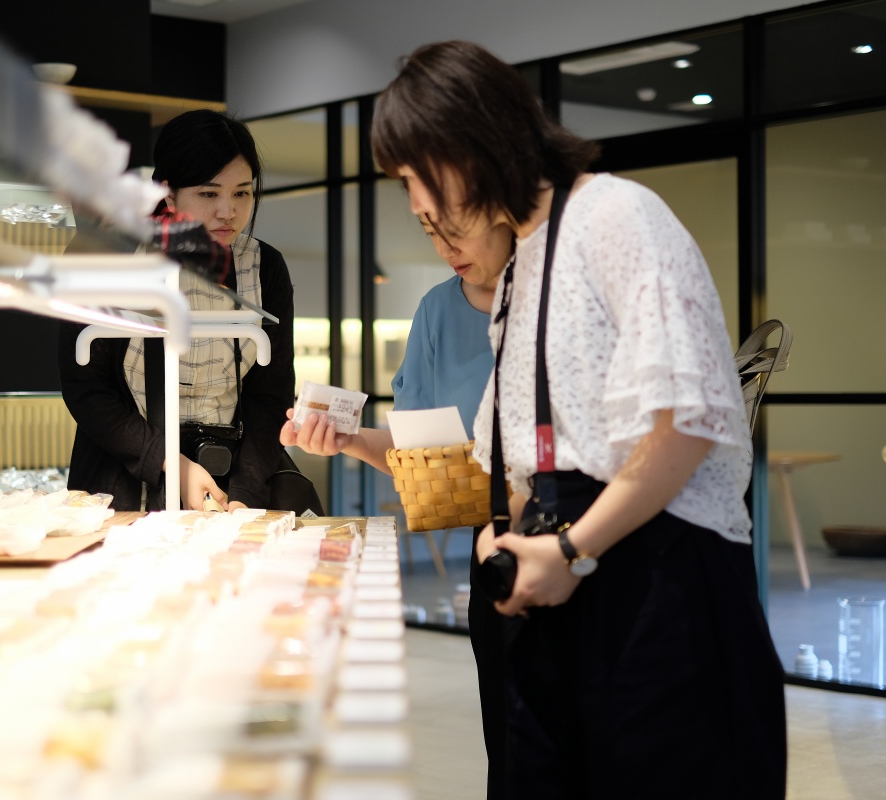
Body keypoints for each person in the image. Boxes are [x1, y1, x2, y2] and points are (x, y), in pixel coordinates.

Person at [371, 40, 787, 799]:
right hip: (571, 589)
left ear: (468, 145)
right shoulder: (523, 265)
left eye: (415, 177)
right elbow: (505, 467)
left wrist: (573, 548)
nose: (416, 208)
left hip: (662, 589)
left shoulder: (617, 215)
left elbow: (685, 423)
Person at [282, 219, 514, 799]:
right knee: (513, 746)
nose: (445, 248)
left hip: (581, 547)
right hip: (499, 553)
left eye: (457, 227)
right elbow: (418, 454)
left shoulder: (555, 298)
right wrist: (348, 439)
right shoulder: (438, 310)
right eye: (431, 231)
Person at [59, 109, 296, 513]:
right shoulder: (106, 256)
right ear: (168, 194)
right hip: (124, 482)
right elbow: (87, 390)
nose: (228, 211)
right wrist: (172, 464)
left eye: (242, 192)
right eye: (209, 194)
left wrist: (245, 495)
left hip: (232, 480)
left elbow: (269, 397)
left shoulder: (263, 266)